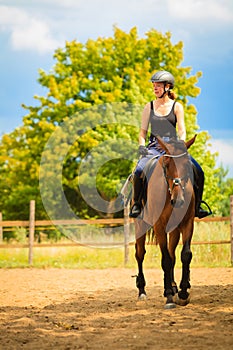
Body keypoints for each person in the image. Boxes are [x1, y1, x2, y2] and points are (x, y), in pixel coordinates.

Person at [129, 70, 211, 219]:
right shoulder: (149, 107)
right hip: (154, 148)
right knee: (138, 171)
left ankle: (197, 206)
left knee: (198, 170)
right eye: (154, 85)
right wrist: (142, 146)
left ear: (167, 87)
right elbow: (142, 133)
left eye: (158, 85)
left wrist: (180, 145)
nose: (155, 88)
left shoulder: (177, 107)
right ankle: (137, 205)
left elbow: (182, 131)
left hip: (173, 148)